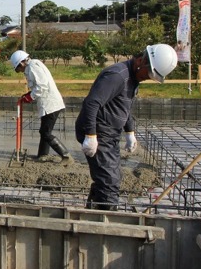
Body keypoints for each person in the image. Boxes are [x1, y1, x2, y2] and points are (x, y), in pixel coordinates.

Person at [75, 44, 178, 210]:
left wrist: (130, 131)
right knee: (109, 182)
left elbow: (124, 106)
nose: (149, 78)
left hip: (110, 133)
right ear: (141, 60)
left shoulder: (133, 78)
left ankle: (95, 210)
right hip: (99, 133)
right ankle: (104, 220)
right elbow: (92, 103)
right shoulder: (117, 76)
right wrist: (91, 135)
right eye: (150, 73)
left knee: (112, 177)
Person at [9, 50, 71, 163]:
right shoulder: (33, 65)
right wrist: (29, 94)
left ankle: (66, 156)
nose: (20, 71)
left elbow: (42, 86)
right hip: (47, 104)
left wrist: (31, 97)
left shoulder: (33, 66)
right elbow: (38, 85)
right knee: (44, 130)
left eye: (18, 68)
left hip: (51, 104)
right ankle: (42, 155)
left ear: (21, 63)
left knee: (45, 132)